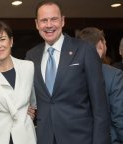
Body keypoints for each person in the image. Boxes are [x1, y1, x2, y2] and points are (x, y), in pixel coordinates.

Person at [25, 1, 110, 144]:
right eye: (44, 20)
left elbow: (100, 106)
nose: (49, 25)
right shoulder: (31, 56)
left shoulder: (84, 50)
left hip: (80, 138)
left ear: (63, 21)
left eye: (54, 19)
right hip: (45, 138)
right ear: (37, 24)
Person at [77, 27, 123, 144]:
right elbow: (119, 116)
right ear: (101, 45)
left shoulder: (68, 73)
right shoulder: (113, 75)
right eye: (105, 43)